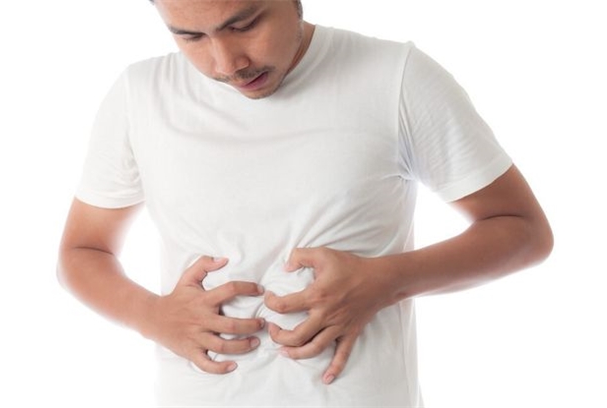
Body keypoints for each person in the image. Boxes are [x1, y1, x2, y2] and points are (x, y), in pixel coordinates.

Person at [57, 0, 553, 406]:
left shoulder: (396, 77)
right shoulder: (140, 95)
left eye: (244, 24)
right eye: (190, 37)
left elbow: (523, 229)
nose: (227, 64)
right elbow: (82, 252)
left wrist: (387, 280)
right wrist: (151, 315)